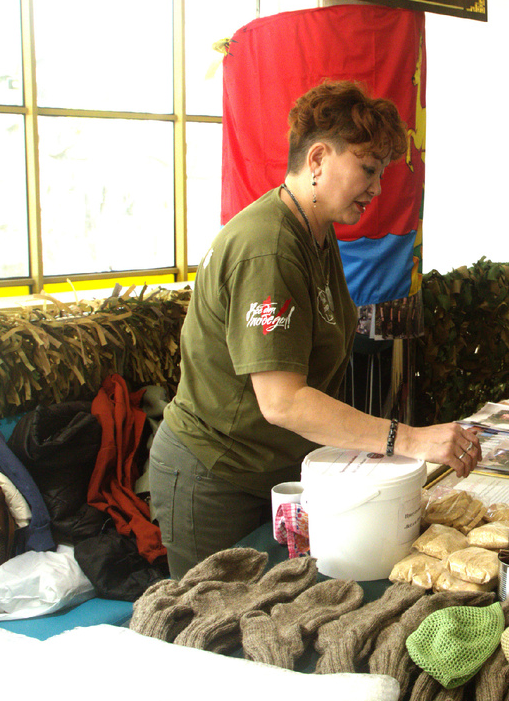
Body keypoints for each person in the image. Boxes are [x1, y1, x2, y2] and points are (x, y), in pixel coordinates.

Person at [149, 81, 480, 578]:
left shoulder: (316, 234)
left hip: (276, 471)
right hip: (216, 480)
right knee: (216, 619)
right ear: (319, 159)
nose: (377, 188)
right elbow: (283, 401)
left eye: (381, 172)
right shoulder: (269, 247)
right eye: (368, 169)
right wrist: (407, 439)